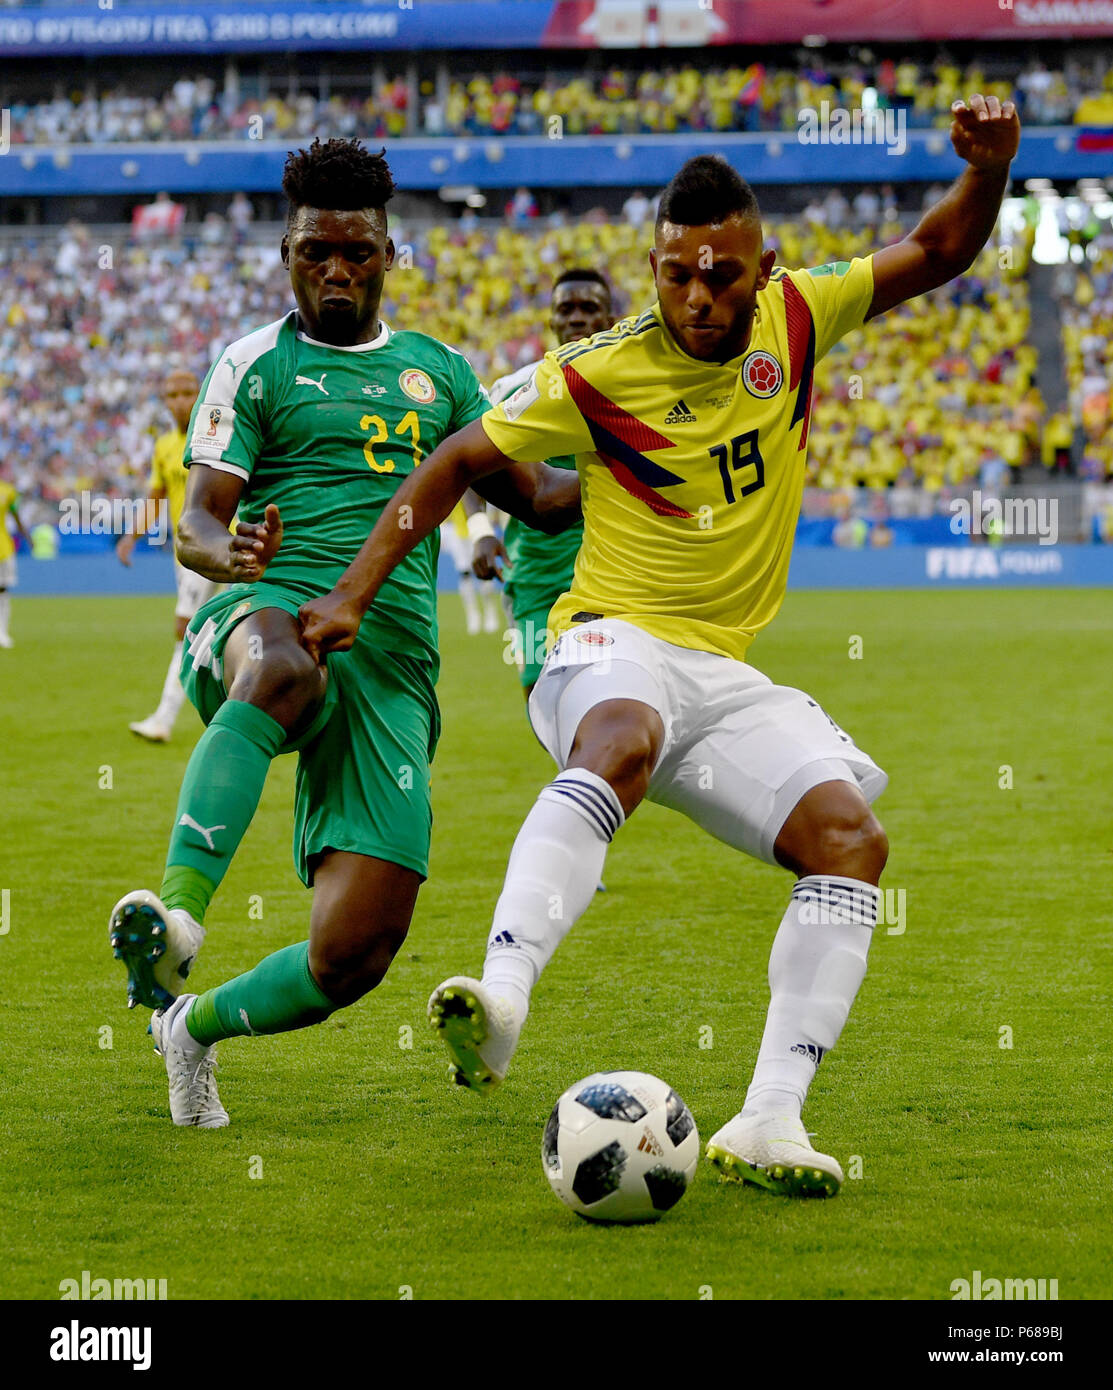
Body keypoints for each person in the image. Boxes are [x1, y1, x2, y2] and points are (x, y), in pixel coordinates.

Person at [299, 97, 1020, 1198]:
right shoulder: (601, 371)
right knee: (623, 735)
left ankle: (771, 1118)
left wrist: (991, 168)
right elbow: (451, 459)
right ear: (655, 265)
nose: (697, 296)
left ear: (762, 264)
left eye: (722, 275)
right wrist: (353, 594)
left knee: (851, 841)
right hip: (604, 642)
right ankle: (501, 994)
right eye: (676, 273)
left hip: (724, 672)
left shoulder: (801, 314)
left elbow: (939, 248)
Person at [108, 138, 580, 1128]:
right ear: (287, 251)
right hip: (262, 612)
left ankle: (188, 1027)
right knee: (284, 665)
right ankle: (179, 916)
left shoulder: (441, 374)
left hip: (396, 672)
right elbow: (197, 518)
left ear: (388, 255)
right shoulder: (253, 364)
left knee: (353, 955)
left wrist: (644, 467)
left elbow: (536, 499)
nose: (335, 269)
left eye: (356, 252)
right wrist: (226, 557)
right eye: (315, 250)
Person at [471, 268, 615, 698]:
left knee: (606, 692)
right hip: (534, 573)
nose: (576, 319)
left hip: (615, 572)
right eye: (565, 309)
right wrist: (480, 530)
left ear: (609, 319)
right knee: (542, 695)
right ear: (551, 321)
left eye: (588, 308)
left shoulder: (637, 387)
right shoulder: (516, 390)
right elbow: (470, 462)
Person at [118, 369, 219, 742]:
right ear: (164, 400)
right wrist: (131, 537)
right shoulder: (163, 447)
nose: (180, 401)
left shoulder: (215, 432)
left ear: (201, 393)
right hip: (184, 552)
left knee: (184, 628)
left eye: (188, 392)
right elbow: (156, 497)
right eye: (173, 394)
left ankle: (163, 719)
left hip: (215, 543)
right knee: (203, 631)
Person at [0, 464, 33, 649]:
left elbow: (16, 516)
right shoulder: (8, 491)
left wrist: (27, 538)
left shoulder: (8, 491)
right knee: (2, 591)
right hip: (4, 547)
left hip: (3, 548)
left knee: (3, 590)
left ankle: (2, 632)